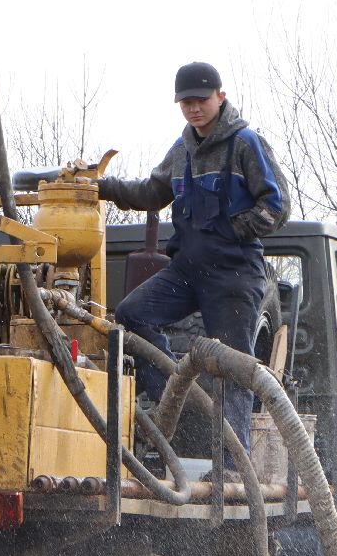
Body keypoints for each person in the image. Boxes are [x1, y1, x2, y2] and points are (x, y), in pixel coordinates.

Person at [97, 62, 290, 471]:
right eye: (185, 102)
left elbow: (277, 206)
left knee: (232, 368)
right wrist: (102, 187)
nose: (193, 109)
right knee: (132, 314)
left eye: (200, 100)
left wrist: (233, 230)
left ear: (220, 96)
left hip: (235, 273)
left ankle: (233, 465)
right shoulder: (182, 148)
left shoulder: (245, 143)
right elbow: (152, 192)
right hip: (188, 270)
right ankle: (174, 389)